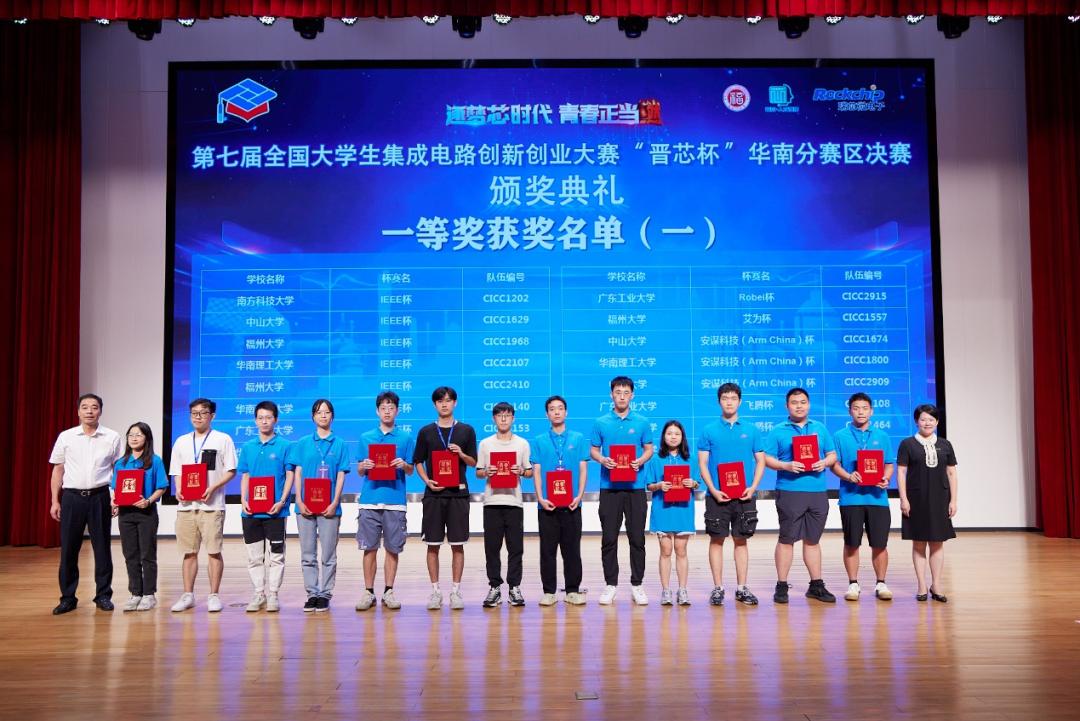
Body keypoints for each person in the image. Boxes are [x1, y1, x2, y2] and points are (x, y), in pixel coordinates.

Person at [49, 393, 122, 614]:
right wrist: (55, 500)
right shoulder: (66, 436)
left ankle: (103, 595)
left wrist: (116, 497)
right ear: (78, 411)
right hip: (72, 498)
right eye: (85, 407)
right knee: (69, 550)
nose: (90, 411)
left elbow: (118, 470)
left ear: (100, 411)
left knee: (102, 549)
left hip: (100, 497)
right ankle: (67, 598)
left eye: (94, 407)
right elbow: (58, 469)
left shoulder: (112, 436)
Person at [764, 387, 838, 604]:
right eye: (794, 402)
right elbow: (767, 459)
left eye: (803, 402)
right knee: (787, 539)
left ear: (809, 404)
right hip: (790, 490)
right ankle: (781, 586)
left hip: (817, 492)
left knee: (813, 540)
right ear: (787, 406)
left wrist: (824, 462)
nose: (799, 406)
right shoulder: (778, 430)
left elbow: (832, 454)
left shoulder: (820, 428)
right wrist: (786, 465)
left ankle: (816, 585)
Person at [697, 382, 765, 607]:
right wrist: (713, 490)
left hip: (744, 495)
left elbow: (760, 460)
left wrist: (753, 488)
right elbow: (703, 464)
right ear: (719, 401)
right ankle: (718, 588)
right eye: (725, 398)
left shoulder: (752, 430)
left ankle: (742, 588)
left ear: (740, 401)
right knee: (716, 540)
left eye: (733, 398)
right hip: (717, 496)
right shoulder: (709, 430)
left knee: (741, 540)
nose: (729, 402)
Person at [590, 375, 654, 605]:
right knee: (609, 538)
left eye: (626, 393)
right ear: (611, 395)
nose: (622, 396)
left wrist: (640, 461)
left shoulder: (642, 422)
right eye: (618, 392)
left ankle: (637, 584)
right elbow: (594, 450)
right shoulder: (601, 422)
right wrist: (602, 460)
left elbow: (649, 449)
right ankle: (611, 584)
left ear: (632, 395)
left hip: (635, 488)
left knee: (637, 538)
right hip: (609, 488)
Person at [169, 397, 237, 613]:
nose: (198, 417)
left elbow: (231, 470)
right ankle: (187, 595)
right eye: (194, 413)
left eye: (203, 413)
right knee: (189, 552)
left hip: (212, 505)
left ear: (212, 416)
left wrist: (213, 487)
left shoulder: (222, 439)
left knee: (214, 551)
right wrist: (179, 488)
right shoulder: (181, 441)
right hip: (186, 506)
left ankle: (214, 595)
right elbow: (176, 471)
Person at [412, 386, 477, 611]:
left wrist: (461, 453)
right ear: (435, 405)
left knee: (458, 545)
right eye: (440, 401)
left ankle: (456, 591)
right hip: (434, 495)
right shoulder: (426, 432)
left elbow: (473, 462)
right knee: (433, 545)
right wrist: (427, 481)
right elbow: (417, 461)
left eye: (448, 400)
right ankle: (436, 591)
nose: (444, 404)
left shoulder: (466, 430)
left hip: (458, 494)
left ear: (455, 403)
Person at [831, 392, 896, 602]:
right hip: (851, 498)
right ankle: (853, 584)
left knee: (880, 544)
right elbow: (834, 464)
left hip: (877, 498)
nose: (861, 412)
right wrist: (849, 476)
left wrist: (886, 478)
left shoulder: (882, 436)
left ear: (871, 411)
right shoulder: (839, 436)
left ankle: (881, 583)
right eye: (856, 408)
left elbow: (888, 464)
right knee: (852, 543)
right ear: (850, 411)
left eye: (865, 408)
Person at [289, 398, 350, 613]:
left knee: (328, 555)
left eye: (326, 412)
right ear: (313, 417)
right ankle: (312, 593)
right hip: (304, 506)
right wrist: (299, 500)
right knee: (308, 554)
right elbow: (297, 472)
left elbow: (341, 475)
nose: (323, 415)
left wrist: (335, 502)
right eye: (318, 412)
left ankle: (325, 594)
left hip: (330, 508)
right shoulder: (303, 443)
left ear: (332, 416)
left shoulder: (339, 444)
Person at [355, 391, 415, 611]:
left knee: (392, 548)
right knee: (369, 548)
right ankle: (368, 592)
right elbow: (359, 470)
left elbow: (411, 470)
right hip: (370, 500)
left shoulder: (406, 438)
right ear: (377, 411)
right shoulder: (366, 437)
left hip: (395, 501)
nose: (387, 411)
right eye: (383, 408)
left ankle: (389, 591)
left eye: (391, 408)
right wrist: (364, 466)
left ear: (397, 411)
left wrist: (403, 465)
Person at [897, 404, 958, 603]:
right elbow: (901, 473)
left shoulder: (945, 444)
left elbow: (951, 473)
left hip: (940, 499)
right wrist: (904, 499)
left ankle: (936, 585)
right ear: (917, 421)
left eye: (931, 419)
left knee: (937, 543)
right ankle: (922, 585)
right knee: (919, 543)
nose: (927, 423)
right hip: (916, 500)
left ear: (937, 422)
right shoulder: (907, 444)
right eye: (923, 419)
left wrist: (953, 500)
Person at [532, 395, 588, 606]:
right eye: (552, 409)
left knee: (572, 550)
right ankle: (549, 592)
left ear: (566, 412)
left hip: (572, 504)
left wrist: (579, 496)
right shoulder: (539, 440)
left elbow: (583, 469)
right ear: (546, 414)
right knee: (547, 551)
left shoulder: (578, 438)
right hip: (547, 505)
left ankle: (572, 590)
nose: (556, 412)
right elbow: (537, 471)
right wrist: (540, 498)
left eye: (560, 408)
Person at [237, 401, 293, 613]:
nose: (264, 421)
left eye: (268, 417)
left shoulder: (285, 445)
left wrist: (282, 501)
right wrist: (243, 499)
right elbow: (245, 475)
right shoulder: (248, 447)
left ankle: (273, 594)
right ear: (255, 420)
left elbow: (289, 475)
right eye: (260, 418)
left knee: (276, 555)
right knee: (254, 556)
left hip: (275, 511)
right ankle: (259, 593)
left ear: (275, 419)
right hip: (251, 511)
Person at [476, 402, 532, 608]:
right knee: (492, 548)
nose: (503, 419)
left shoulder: (522, 444)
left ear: (513, 418)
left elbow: (529, 471)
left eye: (507, 415)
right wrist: (486, 471)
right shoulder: (485, 444)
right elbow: (478, 472)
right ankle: (494, 587)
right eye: (499, 415)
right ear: (494, 419)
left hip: (514, 502)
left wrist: (521, 471)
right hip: (492, 502)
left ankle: (514, 587)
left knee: (515, 548)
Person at [112, 422, 169, 611]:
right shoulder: (121, 463)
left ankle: (149, 594)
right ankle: (135, 593)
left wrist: (149, 501)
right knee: (130, 554)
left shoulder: (155, 461)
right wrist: (114, 502)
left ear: (147, 438)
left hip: (146, 513)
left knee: (147, 555)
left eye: (138, 435)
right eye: (131, 435)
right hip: (126, 514)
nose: (134, 438)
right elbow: (116, 488)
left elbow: (162, 487)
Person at [646, 420, 699, 606]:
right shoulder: (655, 459)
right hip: (663, 509)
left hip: (683, 510)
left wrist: (692, 483)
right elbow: (649, 485)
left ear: (682, 437)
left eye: (677, 433)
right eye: (669, 433)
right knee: (666, 551)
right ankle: (666, 590)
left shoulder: (691, 459)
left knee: (681, 550)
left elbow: (698, 483)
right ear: (663, 437)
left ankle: (682, 590)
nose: (673, 437)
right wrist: (659, 485)